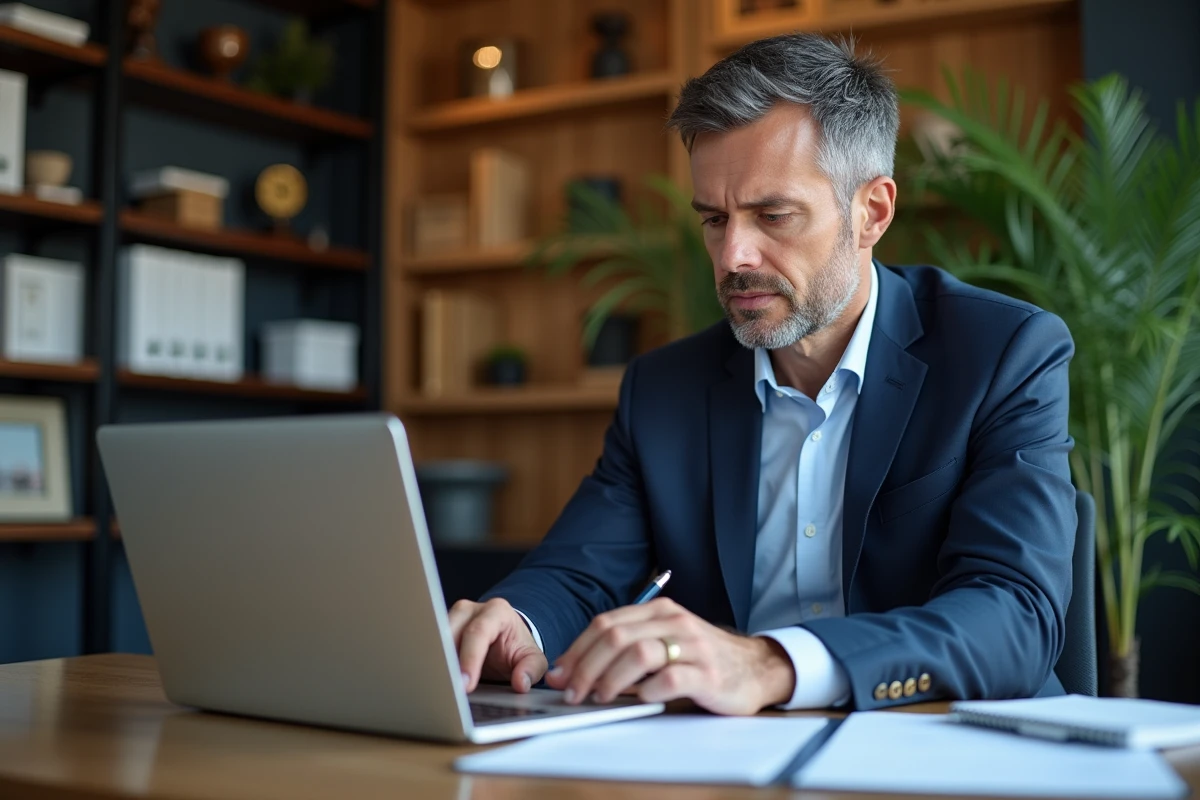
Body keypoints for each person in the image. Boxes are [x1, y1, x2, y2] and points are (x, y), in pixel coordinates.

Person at [448, 32, 1076, 714]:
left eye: (772, 215)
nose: (732, 256)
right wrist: (517, 619)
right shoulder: (663, 389)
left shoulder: (1004, 352)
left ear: (872, 211)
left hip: (944, 750)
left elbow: (1015, 615)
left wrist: (774, 663)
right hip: (729, 760)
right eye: (714, 220)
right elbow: (579, 571)